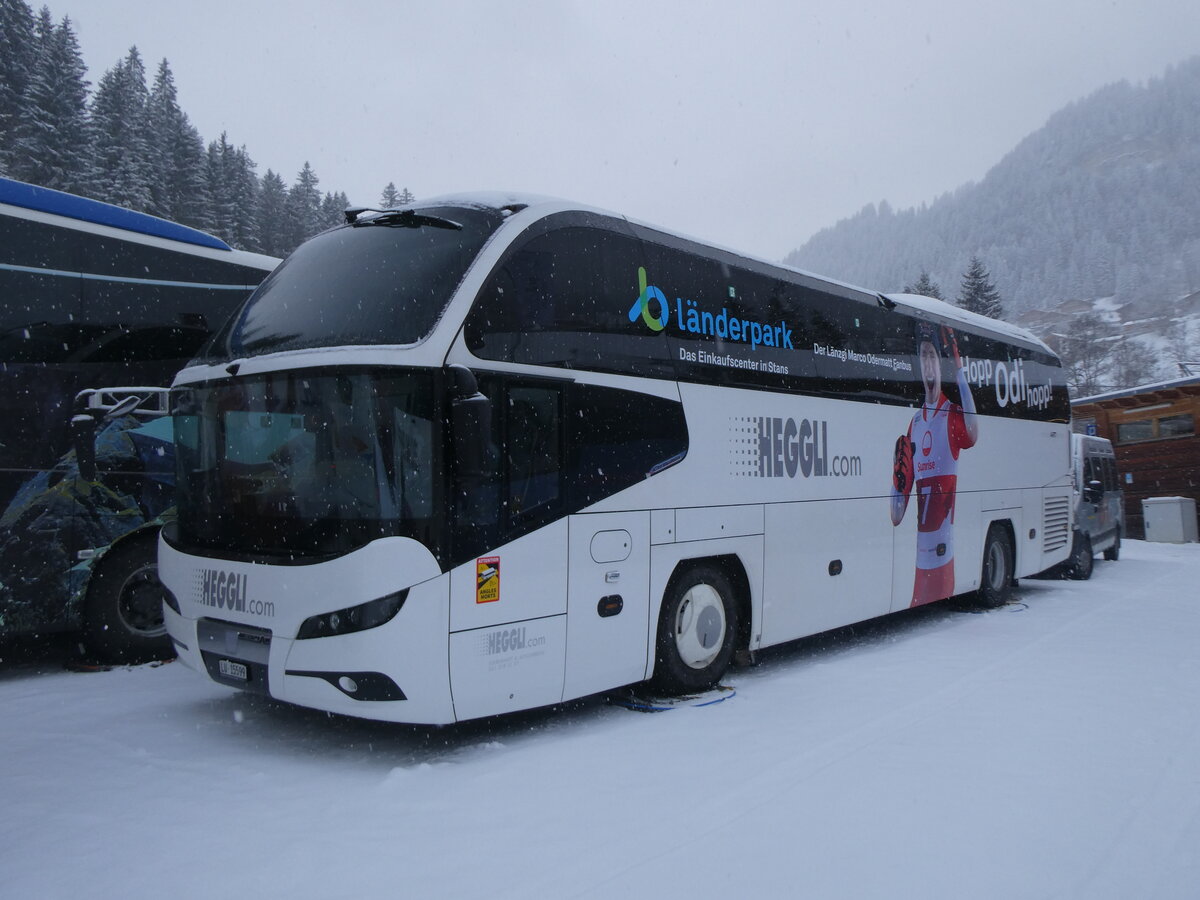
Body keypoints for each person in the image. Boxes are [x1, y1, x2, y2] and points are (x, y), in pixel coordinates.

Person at [890, 321, 978, 606]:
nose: (927, 363)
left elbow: (973, 433)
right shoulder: (914, 424)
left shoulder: (953, 414)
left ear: (940, 363)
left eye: (932, 355)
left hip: (943, 558)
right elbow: (896, 514)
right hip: (919, 563)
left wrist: (961, 370)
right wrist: (897, 480)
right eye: (923, 356)